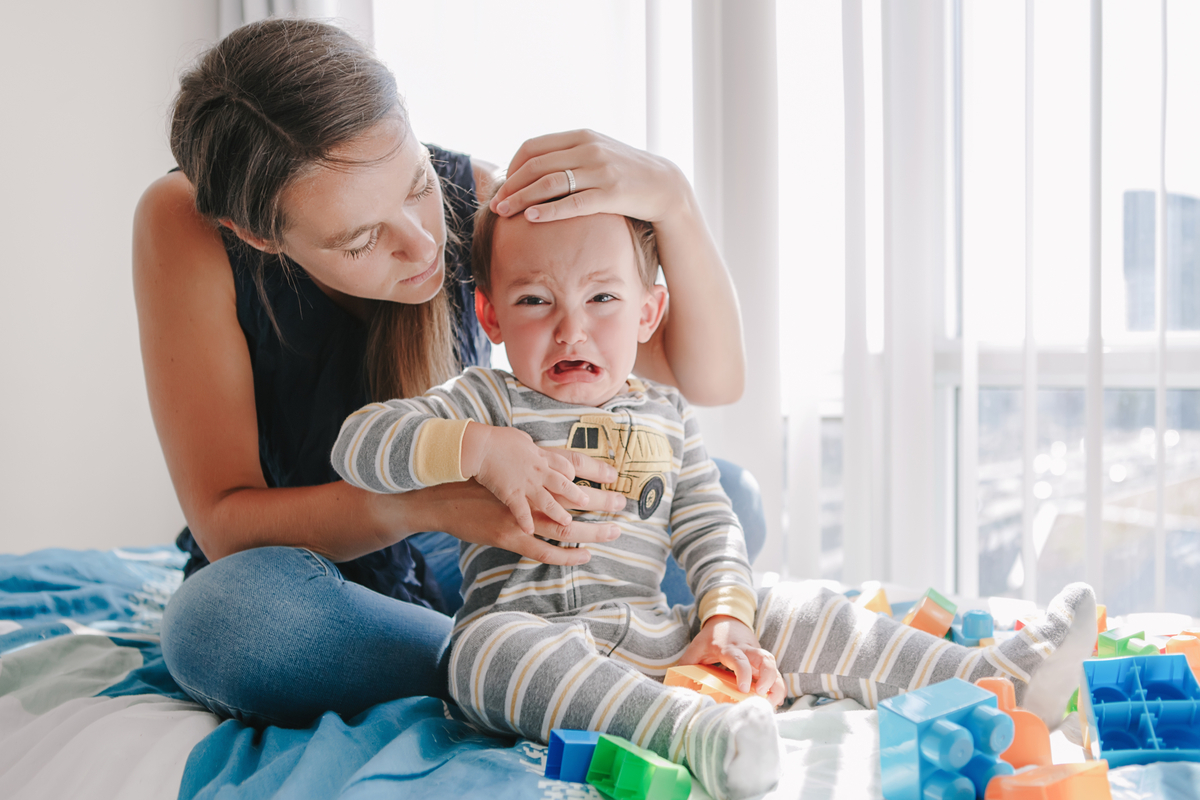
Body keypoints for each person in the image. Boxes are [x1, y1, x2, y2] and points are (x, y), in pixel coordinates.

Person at [331, 192, 1098, 800]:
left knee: (791, 604)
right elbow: (358, 445)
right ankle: (690, 733)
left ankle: (997, 678)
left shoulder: (665, 413)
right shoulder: (483, 400)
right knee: (478, 651)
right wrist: (475, 448)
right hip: (534, 639)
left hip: (653, 633)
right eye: (535, 302)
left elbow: (709, 525)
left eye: (602, 298)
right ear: (490, 315)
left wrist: (728, 620)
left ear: (647, 312)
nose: (571, 330)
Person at [137, 18, 747, 729]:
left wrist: (672, 199)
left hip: (464, 554)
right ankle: (505, 660)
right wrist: (422, 501)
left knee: (731, 500)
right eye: (363, 239)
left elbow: (707, 379)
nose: (425, 243)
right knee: (221, 622)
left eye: (417, 184)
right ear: (258, 236)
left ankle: (530, 663)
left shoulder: (485, 199)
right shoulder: (184, 222)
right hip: (315, 567)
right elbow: (223, 522)